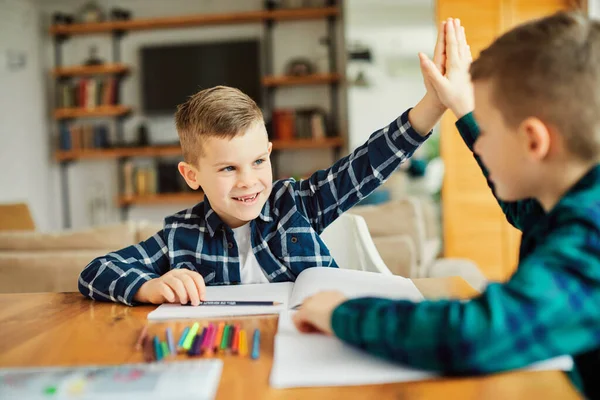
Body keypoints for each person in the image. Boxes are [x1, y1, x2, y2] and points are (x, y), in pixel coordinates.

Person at [292, 13, 600, 398]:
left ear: (534, 142)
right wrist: (462, 106)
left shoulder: (592, 234)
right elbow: (525, 211)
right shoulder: (575, 201)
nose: (478, 145)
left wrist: (341, 313)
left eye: (485, 130)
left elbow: (476, 334)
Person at [77, 22, 452, 307]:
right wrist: (148, 286)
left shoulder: (295, 205)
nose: (249, 182)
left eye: (258, 161)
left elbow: (368, 164)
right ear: (192, 176)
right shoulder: (179, 237)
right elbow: (96, 272)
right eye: (228, 169)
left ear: (269, 152)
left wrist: (432, 106)